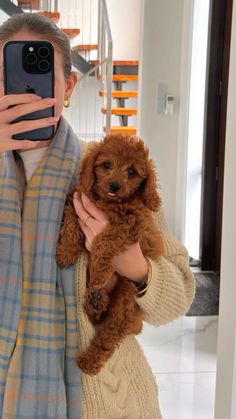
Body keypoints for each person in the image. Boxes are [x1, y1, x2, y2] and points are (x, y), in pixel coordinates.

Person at [0, 13, 196, 419]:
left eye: (39, 74)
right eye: (7, 74)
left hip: (105, 401)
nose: (23, 90)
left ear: (68, 85)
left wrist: (138, 268)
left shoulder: (110, 170)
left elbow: (179, 297)